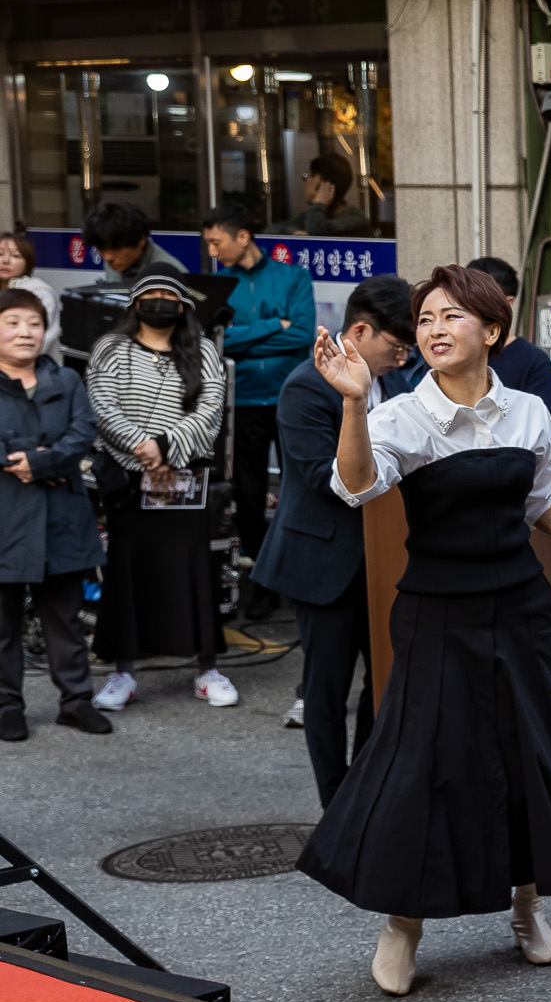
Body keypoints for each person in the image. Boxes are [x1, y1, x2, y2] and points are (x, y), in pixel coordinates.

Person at [297, 264, 551, 997]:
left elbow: (540, 500)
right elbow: (358, 485)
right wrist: (356, 405)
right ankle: (403, 924)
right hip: (436, 610)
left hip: (522, 607)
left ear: (490, 330)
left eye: (449, 316)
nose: (432, 329)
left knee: (530, 756)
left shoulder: (526, 409)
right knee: (422, 767)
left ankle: (527, 907)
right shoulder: (401, 414)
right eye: (425, 318)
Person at [253, 276, 413, 802]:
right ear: (361, 331)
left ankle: (366, 788)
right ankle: (334, 800)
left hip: (386, 559)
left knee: (385, 681)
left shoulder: (400, 382)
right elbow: (325, 478)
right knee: (325, 688)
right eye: (396, 345)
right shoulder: (306, 385)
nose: (403, 356)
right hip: (323, 557)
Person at [87, 275, 232, 713]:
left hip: (186, 480)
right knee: (128, 572)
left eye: (170, 296)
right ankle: (123, 672)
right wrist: (145, 453)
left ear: (185, 305)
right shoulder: (109, 348)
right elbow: (101, 405)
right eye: (151, 295)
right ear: (134, 303)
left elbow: (211, 408)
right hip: (130, 481)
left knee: (196, 568)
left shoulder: (204, 349)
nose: (160, 302)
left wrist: (167, 448)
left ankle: (206, 668)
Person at [0, 289, 107, 741]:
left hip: (60, 514)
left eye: (34, 323)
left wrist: (38, 462)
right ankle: (7, 705)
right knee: (2, 622)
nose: (26, 332)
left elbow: (82, 434)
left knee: (64, 616)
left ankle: (76, 701)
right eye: (12, 323)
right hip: (6, 516)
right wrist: (25, 457)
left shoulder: (67, 380)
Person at [201, 202, 315, 618]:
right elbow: (218, 342)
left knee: (300, 487)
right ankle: (262, 580)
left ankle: (301, 573)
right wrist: (274, 326)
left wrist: (248, 337)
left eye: (217, 242)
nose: (213, 251)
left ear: (242, 236)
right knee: (248, 496)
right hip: (243, 400)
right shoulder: (218, 285)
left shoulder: (293, 277)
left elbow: (302, 334)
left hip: (292, 397)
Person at [469, 257, 551, 408]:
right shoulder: (446, 354)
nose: (472, 305)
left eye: (483, 297)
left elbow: (538, 424)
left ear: (508, 303)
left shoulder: (534, 362)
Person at [80, 201, 184, 290]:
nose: (107, 257)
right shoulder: (118, 261)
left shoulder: (171, 274)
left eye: (116, 248)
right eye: (101, 248)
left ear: (141, 240)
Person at [0, 231, 60, 362]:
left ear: (28, 262)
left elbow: (40, 342)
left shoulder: (38, 292)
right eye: (0, 254)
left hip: (36, 370)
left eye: (16, 256)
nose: (5, 261)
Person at [279, 153, 373, 237]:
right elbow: (271, 230)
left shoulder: (354, 218)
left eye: (309, 176)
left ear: (319, 182)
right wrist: (293, 232)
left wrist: (319, 203)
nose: (306, 182)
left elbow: (317, 232)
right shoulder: (315, 214)